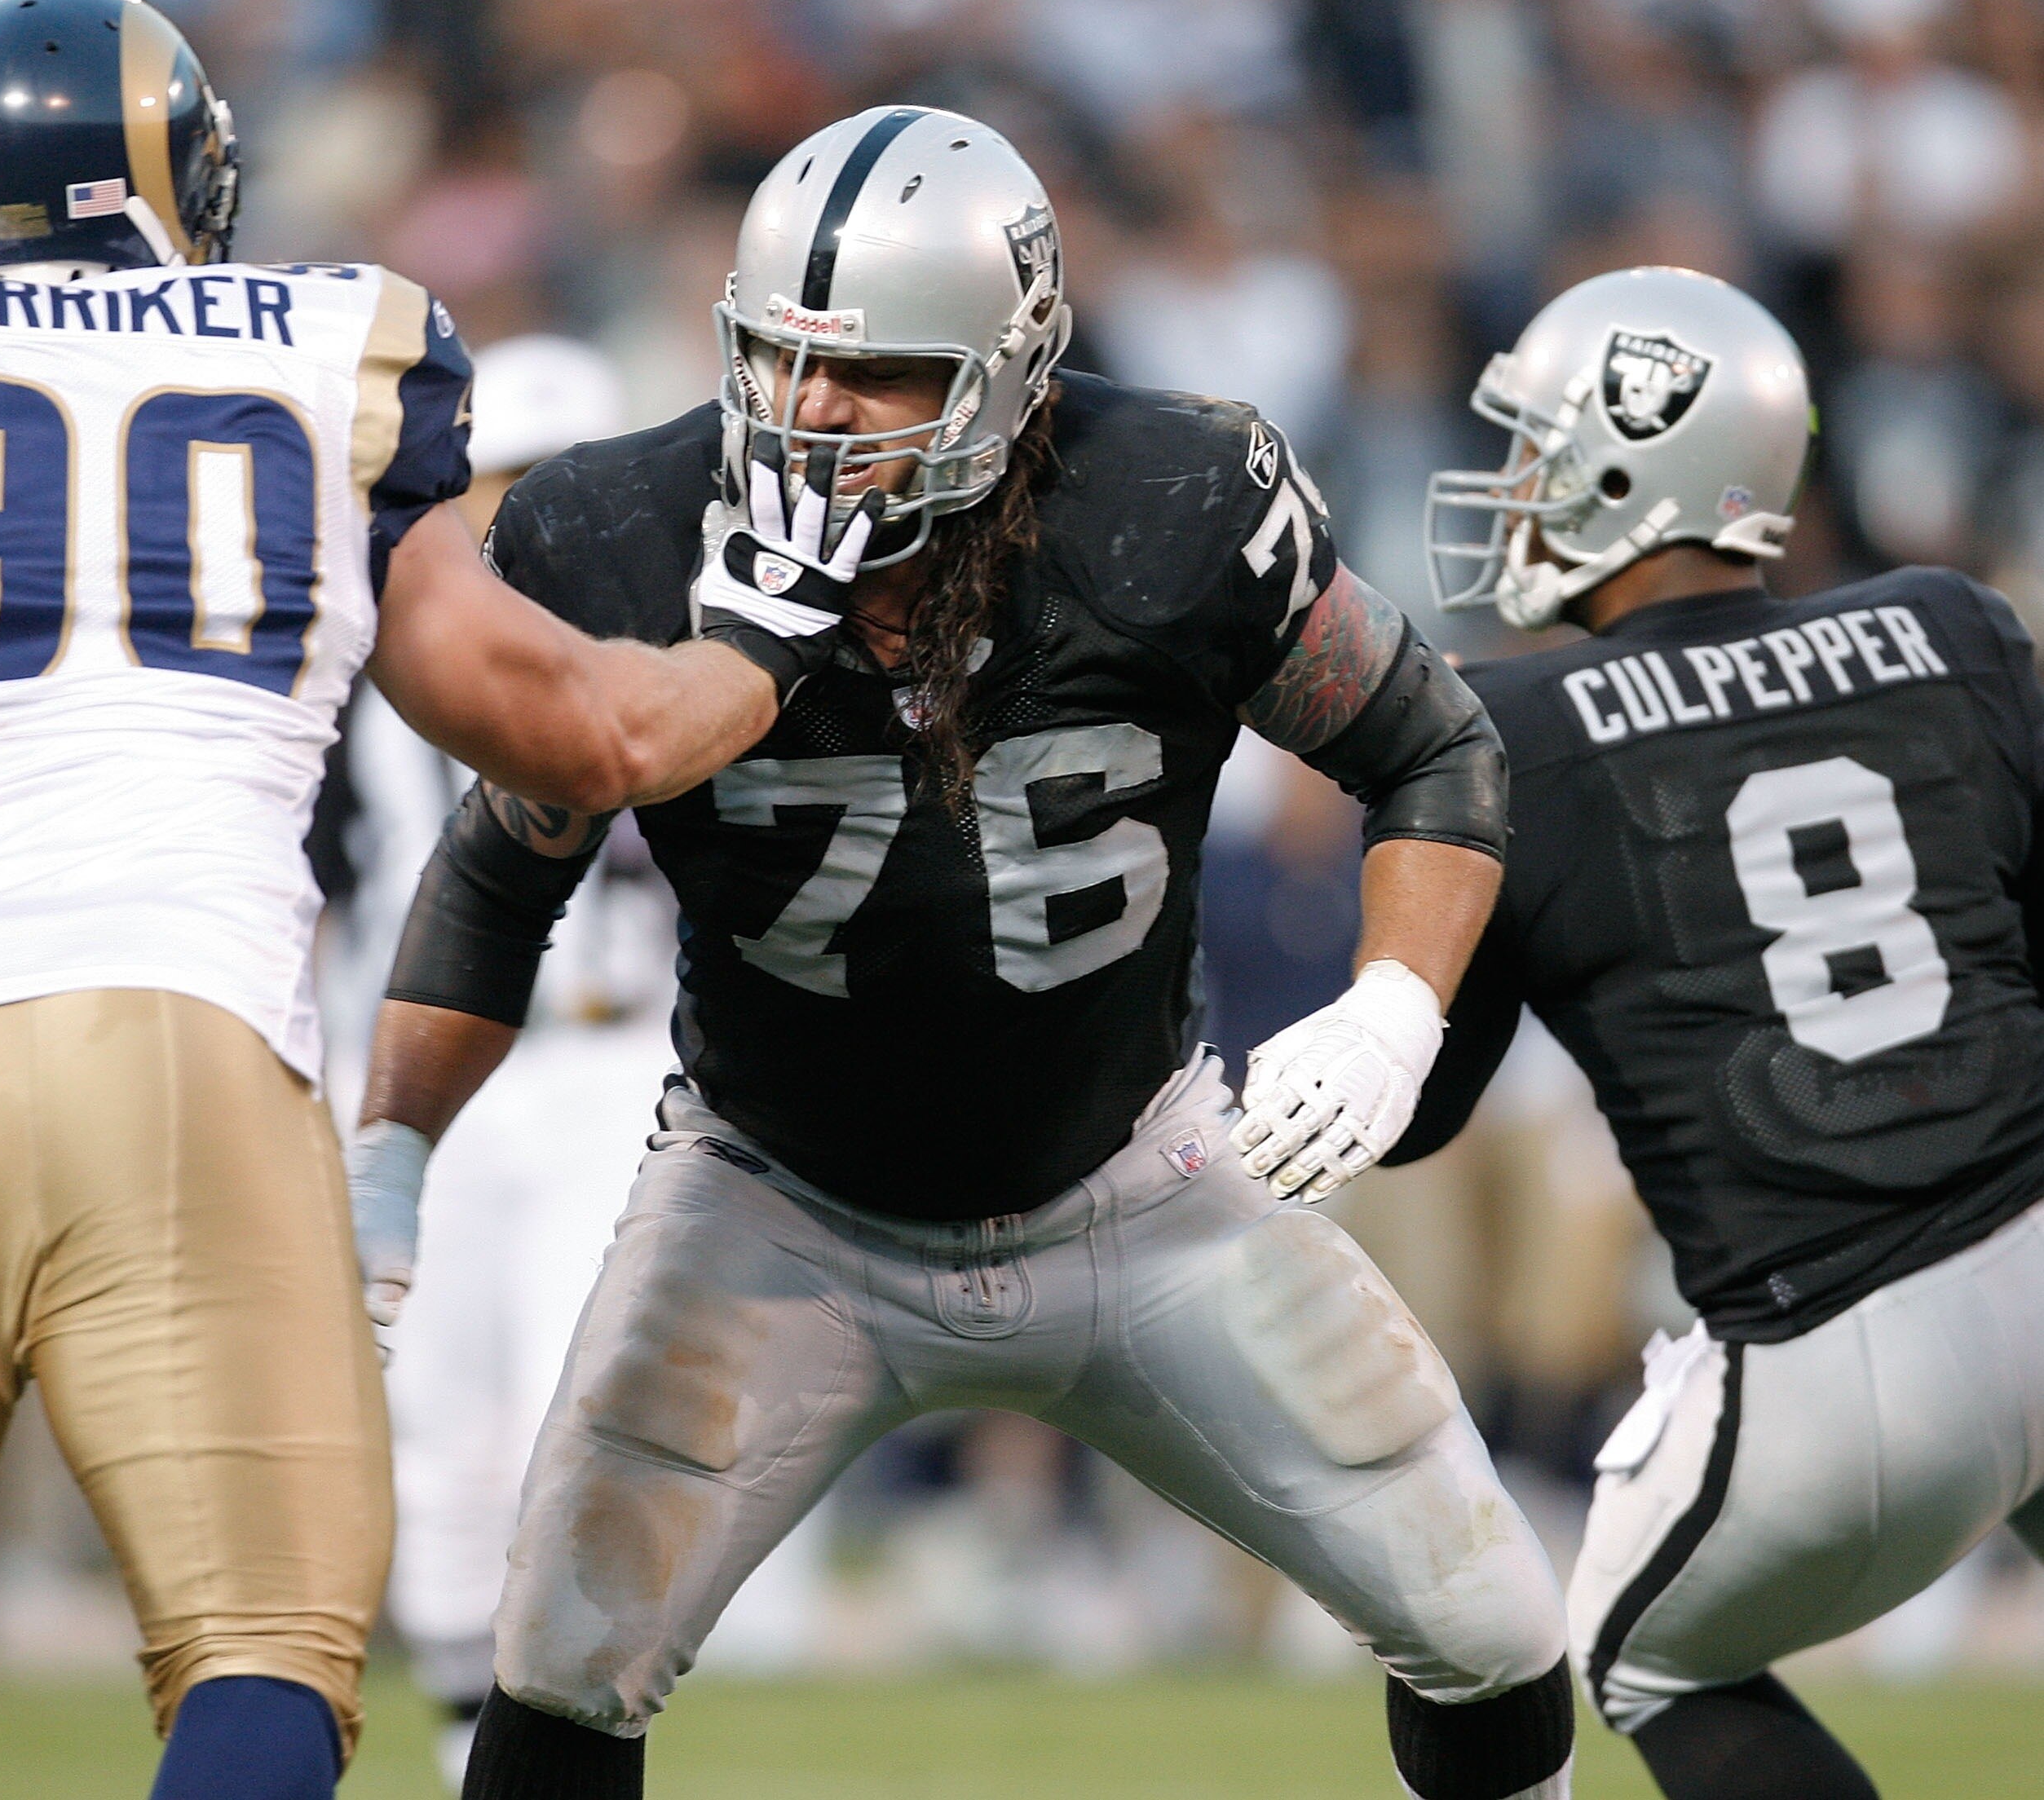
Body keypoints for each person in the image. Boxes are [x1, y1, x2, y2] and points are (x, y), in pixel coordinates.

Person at [0, 0, 876, 1800]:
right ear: (177, 182)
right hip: (183, 1046)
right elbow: (581, 736)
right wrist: (759, 639)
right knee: (262, 1655)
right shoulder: (337, 349)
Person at [352, 105, 1578, 1800]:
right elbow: (500, 879)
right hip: (769, 1204)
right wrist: (391, 1164)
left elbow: (1435, 753)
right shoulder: (614, 531)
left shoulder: (1178, 502)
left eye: (877, 377)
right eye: (778, 360)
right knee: (552, 1681)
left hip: (1139, 1189)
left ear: (1010, 369)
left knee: (1496, 1624)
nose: (809, 414)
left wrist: (1390, 1009)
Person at [1411, 264, 2044, 1800]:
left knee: (1639, 1650)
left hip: (1831, 1336)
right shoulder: (1953, 628)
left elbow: (1424, 1106)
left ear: (1634, 465)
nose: (1517, 494)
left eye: (1543, 453)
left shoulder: (1515, 732)